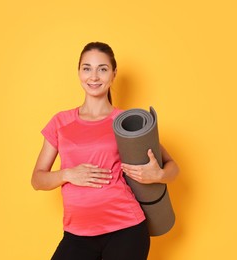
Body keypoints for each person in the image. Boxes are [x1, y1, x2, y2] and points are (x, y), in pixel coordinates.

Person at [31, 42, 179, 260]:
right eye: (87, 68)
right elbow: (37, 179)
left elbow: (173, 167)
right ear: (79, 72)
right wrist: (67, 174)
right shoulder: (60, 122)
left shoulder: (125, 122)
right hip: (76, 235)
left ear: (113, 74)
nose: (94, 76)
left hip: (125, 230)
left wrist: (158, 175)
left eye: (102, 69)